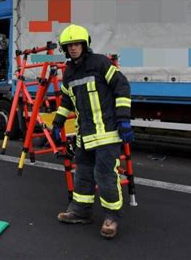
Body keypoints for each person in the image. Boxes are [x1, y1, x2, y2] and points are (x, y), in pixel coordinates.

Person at [51, 24, 133, 239]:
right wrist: (58, 120)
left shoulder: (99, 63)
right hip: (84, 136)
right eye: (69, 46)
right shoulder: (69, 72)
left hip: (106, 134)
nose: (73, 49)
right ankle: (80, 212)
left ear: (85, 44)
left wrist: (123, 119)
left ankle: (111, 218)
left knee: (105, 176)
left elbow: (121, 86)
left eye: (77, 44)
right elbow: (68, 99)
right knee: (83, 175)